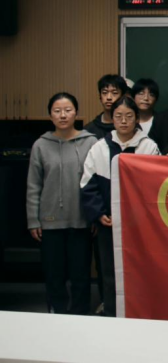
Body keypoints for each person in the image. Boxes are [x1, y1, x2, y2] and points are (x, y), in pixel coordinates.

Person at [80, 96, 159, 316]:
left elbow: (154, 186)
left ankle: (140, 314)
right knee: (110, 272)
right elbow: (87, 185)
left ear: (137, 118)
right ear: (112, 119)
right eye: (118, 116)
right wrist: (99, 214)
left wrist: (138, 217)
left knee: (141, 270)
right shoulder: (99, 148)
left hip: (140, 226)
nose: (123, 121)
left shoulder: (149, 146)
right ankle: (112, 314)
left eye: (129, 116)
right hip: (109, 224)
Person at [26, 93, 97, 315]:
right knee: (54, 274)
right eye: (57, 111)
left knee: (80, 274)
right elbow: (34, 185)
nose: (63, 115)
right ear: (50, 116)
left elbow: (97, 182)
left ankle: (80, 314)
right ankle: (56, 314)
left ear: (76, 113)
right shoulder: (41, 145)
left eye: (68, 110)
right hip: (50, 221)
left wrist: (96, 214)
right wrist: (33, 219)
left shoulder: (91, 142)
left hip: (81, 219)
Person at [84, 74, 128, 140]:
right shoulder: (89, 130)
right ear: (100, 96)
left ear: (122, 96)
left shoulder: (129, 127)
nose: (109, 97)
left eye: (114, 93)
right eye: (105, 93)